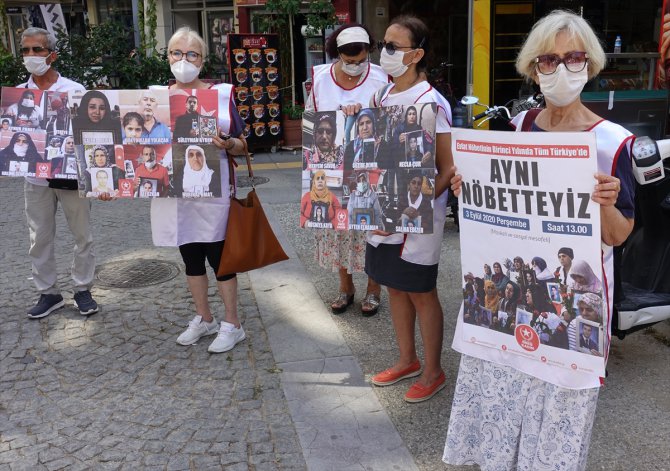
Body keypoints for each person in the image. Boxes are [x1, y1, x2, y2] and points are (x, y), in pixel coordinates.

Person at [444, 11, 635, 469]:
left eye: (573, 58)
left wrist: (606, 201)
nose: (561, 69)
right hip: (510, 318)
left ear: (589, 64)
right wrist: (465, 188)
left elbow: (618, 235)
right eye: (548, 60)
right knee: (502, 406)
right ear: (533, 69)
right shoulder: (519, 127)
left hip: (569, 319)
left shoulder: (613, 143)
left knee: (555, 428)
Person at [101, 27, 248, 353]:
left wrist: (228, 143)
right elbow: (130, 146)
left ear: (203, 58)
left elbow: (242, 144)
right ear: (167, 57)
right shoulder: (152, 99)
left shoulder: (219, 96)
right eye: (176, 53)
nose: (184, 60)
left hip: (211, 193)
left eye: (191, 54)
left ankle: (233, 323)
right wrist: (110, 182)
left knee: (219, 258)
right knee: (190, 257)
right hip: (173, 196)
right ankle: (204, 317)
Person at [365, 15, 454, 403]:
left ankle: (433, 371)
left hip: (417, 217)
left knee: (420, 291)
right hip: (382, 210)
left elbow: (448, 168)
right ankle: (407, 359)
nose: (383, 53)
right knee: (394, 288)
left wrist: (407, 209)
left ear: (416, 54)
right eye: (382, 44)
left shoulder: (432, 102)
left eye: (392, 47)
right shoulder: (381, 97)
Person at [305, 23, 389, 317]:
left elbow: (390, 121)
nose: (354, 66)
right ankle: (346, 287)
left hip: (370, 167)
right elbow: (311, 121)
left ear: (369, 52)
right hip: (331, 168)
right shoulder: (320, 79)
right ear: (336, 54)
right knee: (338, 227)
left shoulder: (380, 77)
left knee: (369, 229)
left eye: (361, 59)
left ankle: (374, 290)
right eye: (348, 60)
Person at [17, 27, 98, 318]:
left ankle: (82, 289)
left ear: (53, 54)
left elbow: (91, 134)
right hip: (35, 179)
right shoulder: (18, 95)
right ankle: (48, 293)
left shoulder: (74, 90)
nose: (31, 56)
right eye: (25, 50)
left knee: (82, 235)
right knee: (39, 237)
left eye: (37, 50)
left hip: (70, 176)